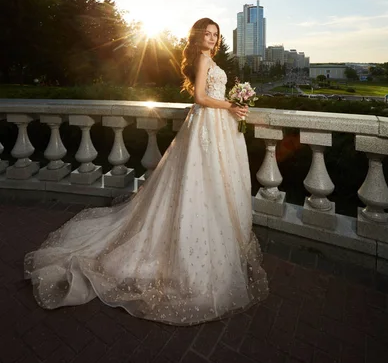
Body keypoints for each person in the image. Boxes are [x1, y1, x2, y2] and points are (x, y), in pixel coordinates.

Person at [24, 18, 269, 325]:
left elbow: (210, 95)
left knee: (211, 182)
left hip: (214, 125)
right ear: (197, 37)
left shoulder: (210, 59)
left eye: (215, 34)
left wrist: (234, 105)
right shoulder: (203, 59)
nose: (211, 38)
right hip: (208, 122)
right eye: (206, 33)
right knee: (201, 180)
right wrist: (231, 106)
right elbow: (200, 98)